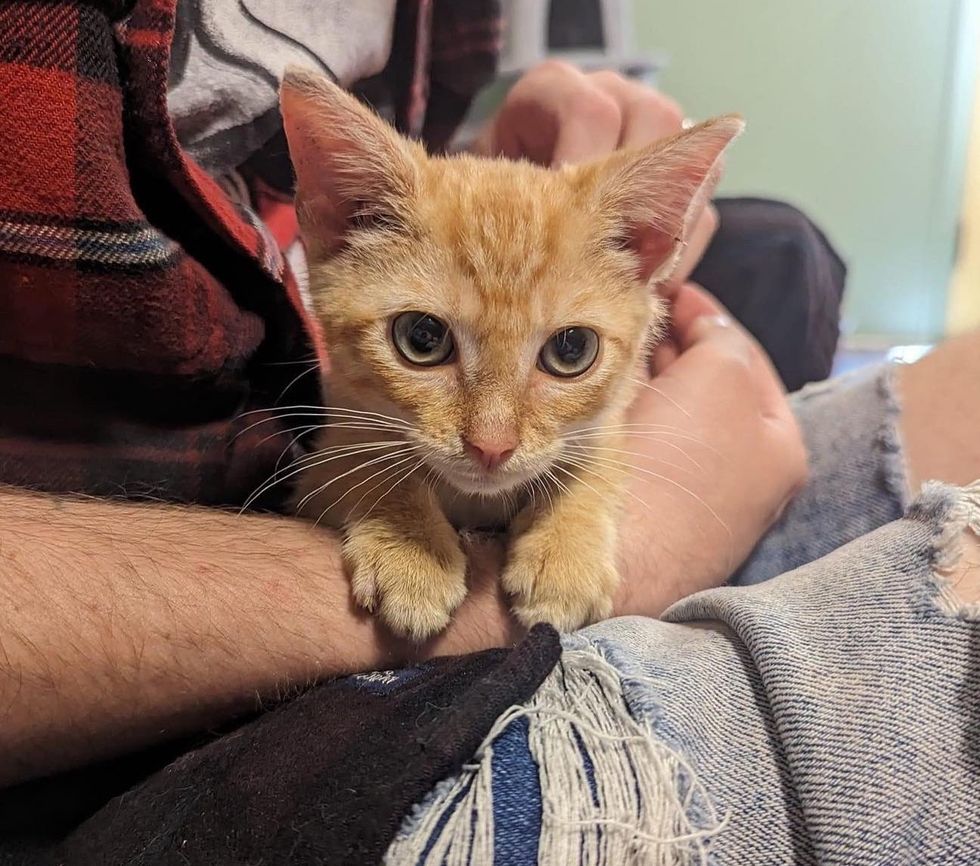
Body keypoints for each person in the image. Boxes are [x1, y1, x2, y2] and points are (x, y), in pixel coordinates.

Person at [0, 2, 976, 863]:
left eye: (565, 355)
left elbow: (496, 266)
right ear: (336, 232)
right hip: (204, 753)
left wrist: (593, 471)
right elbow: (339, 452)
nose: (493, 435)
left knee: (808, 263)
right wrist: (607, 544)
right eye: (423, 340)